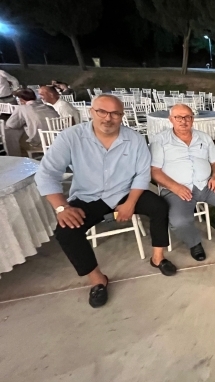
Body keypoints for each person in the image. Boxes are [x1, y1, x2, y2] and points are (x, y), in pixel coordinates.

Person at [35, 94, 177, 308]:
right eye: (102, 111)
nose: (108, 118)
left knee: (159, 206)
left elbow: (142, 174)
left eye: (115, 113)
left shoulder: (135, 139)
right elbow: (47, 173)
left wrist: (130, 203)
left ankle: (158, 257)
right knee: (66, 232)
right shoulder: (71, 137)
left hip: (124, 191)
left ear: (122, 116)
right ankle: (97, 280)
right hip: (88, 195)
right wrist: (61, 207)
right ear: (91, 112)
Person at [150, 104, 215, 259]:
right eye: (178, 117)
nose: (183, 121)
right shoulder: (160, 140)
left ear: (192, 119)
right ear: (171, 119)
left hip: (206, 184)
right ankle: (194, 243)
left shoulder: (204, 137)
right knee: (179, 221)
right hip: (176, 189)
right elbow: (155, 171)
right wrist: (175, 187)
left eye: (187, 117)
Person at [4, 88, 59, 156]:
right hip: (57, 140)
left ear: (21, 100)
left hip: (41, 143)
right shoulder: (48, 107)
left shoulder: (22, 108)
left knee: (14, 136)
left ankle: (20, 158)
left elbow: (10, 124)